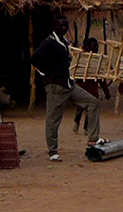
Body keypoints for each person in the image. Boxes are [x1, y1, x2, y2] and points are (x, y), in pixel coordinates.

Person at [32, 18, 100, 162]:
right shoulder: (48, 42)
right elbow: (34, 59)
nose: (63, 28)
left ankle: (93, 139)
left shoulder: (63, 42)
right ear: (54, 26)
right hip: (56, 87)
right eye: (60, 25)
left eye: (65, 26)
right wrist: (47, 74)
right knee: (53, 119)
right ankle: (53, 151)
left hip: (68, 84)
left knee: (92, 102)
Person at [72, 36, 111, 134]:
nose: (96, 48)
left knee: (90, 109)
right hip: (82, 87)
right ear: (87, 47)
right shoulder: (80, 58)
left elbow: (101, 79)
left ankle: (86, 128)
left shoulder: (98, 60)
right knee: (80, 108)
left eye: (97, 46)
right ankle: (76, 122)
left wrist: (106, 92)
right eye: (94, 46)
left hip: (92, 89)